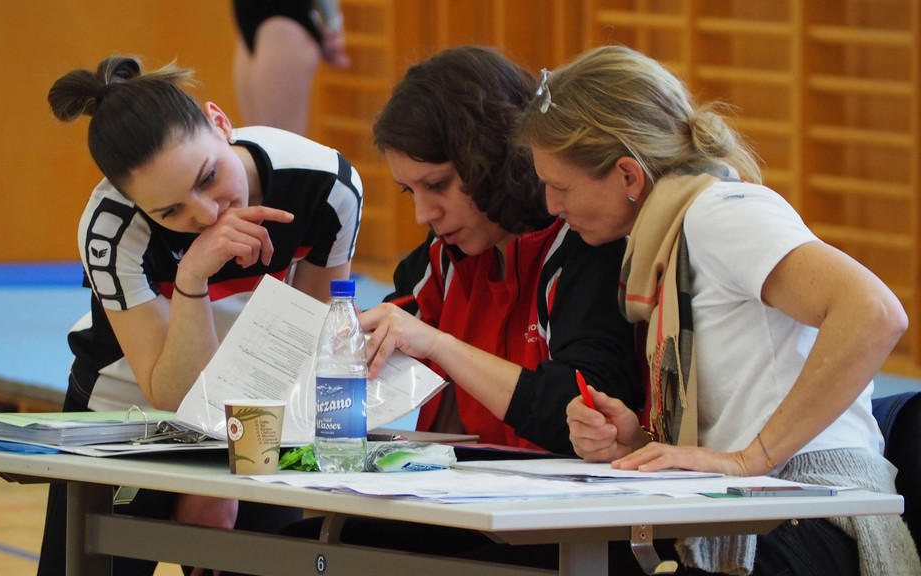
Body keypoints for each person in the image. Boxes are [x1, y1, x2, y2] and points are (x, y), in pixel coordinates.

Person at [518, 45, 920, 575]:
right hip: (765, 508)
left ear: (629, 176)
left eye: (560, 186)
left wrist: (748, 461)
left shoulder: (721, 213)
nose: (551, 206)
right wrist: (636, 441)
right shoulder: (671, 240)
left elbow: (875, 312)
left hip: (817, 509)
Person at [39, 54, 363, 576]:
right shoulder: (111, 229)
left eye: (209, 176)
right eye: (170, 211)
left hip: (257, 409)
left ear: (220, 122)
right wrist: (191, 278)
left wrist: (225, 473)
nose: (208, 213)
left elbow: (303, 345)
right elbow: (170, 393)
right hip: (127, 417)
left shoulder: (326, 187)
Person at [360, 45, 643, 455]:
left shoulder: (587, 246)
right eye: (410, 191)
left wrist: (440, 345)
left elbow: (594, 412)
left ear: (490, 159)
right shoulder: (444, 257)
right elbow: (386, 337)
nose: (423, 214)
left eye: (437, 184)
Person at [232, 0, 351, 135]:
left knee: (279, 141)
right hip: (248, 15)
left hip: (285, 19)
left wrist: (332, 25)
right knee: (256, 139)